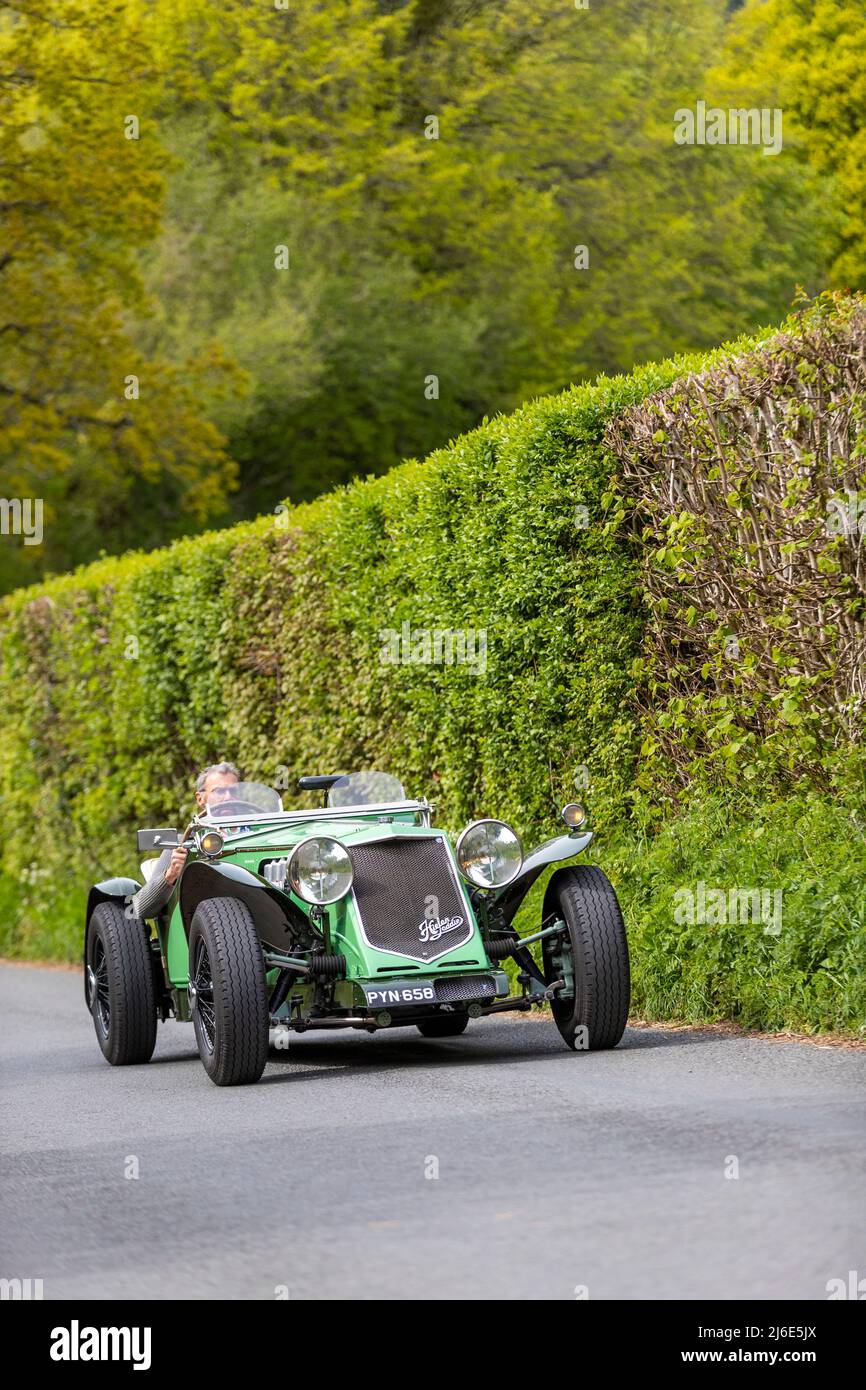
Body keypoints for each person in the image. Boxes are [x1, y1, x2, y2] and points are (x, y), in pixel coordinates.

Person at [131, 762, 240, 921]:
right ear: (200, 798)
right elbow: (141, 908)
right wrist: (171, 874)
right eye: (219, 791)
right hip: (205, 930)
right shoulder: (183, 843)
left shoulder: (260, 836)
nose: (229, 797)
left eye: (234, 791)